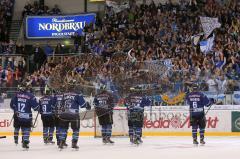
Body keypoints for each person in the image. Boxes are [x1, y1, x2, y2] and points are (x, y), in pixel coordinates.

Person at [58, 85, 91, 150]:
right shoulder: (78, 93)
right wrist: (87, 105)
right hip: (74, 115)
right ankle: (74, 143)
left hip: (64, 114)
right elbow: (82, 105)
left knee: (63, 128)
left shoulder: (64, 94)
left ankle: (61, 142)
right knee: (76, 129)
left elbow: (60, 105)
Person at [10, 83, 39, 149]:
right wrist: (39, 106)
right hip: (26, 117)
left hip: (18, 116)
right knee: (26, 129)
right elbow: (36, 108)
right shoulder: (31, 96)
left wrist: (16, 109)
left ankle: (16, 139)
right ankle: (25, 142)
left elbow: (12, 105)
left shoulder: (16, 95)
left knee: (17, 128)